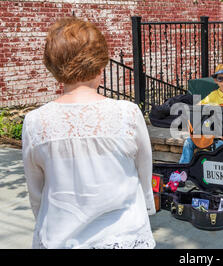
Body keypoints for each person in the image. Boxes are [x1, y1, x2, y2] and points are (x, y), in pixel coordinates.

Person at [22, 17, 156, 249]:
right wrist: (146, 207)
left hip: (60, 237)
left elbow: (36, 191)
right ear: (100, 63)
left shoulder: (36, 122)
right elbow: (144, 174)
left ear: (53, 64)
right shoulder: (128, 114)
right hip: (124, 235)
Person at [179, 64, 223, 164]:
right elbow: (197, 109)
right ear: (216, 81)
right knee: (188, 142)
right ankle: (181, 171)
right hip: (213, 133)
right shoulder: (213, 95)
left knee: (220, 145)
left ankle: (212, 174)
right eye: (220, 79)